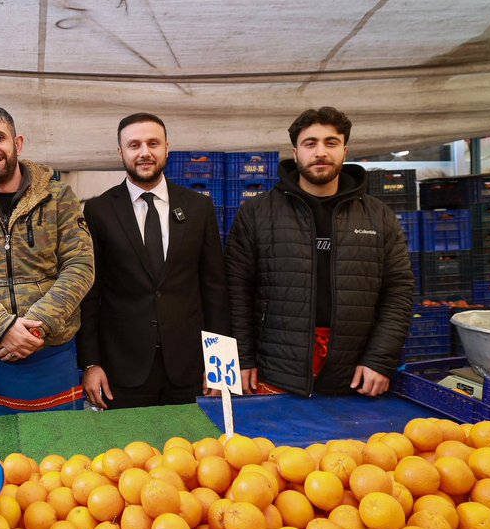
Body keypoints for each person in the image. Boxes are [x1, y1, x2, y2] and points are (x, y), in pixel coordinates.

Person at [225, 107, 414, 397]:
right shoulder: (258, 212)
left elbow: (398, 291)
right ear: (296, 151)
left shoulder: (379, 216)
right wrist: (243, 357)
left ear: (345, 150)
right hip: (275, 369)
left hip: (354, 375)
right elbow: (236, 290)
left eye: (331, 142)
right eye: (310, 143)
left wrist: (379, 359)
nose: (320, 152)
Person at [0, 106, 93, 416]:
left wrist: (36, 328)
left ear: (18, 143)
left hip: (52, 352)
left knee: (59, 456)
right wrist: (3, 326)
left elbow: (80, 266)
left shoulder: (59, 197)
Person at [78, 113, 228, 409]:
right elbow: (89, 295)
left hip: (190, 368)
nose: (145, 152)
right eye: (134, 145)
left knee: (194, 451)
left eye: (153, 143)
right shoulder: (99, 211)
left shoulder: (199, 207)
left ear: (167, 148)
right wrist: (91, 364)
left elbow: (215, 288)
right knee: (128, 453)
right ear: (121, 152)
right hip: (123, 368)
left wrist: (219, 363)